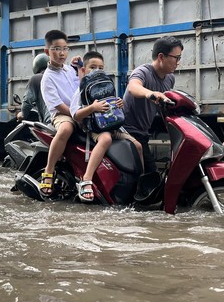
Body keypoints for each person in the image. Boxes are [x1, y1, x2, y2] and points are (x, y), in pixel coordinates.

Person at [70, 51, 143, 202]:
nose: (97, 70)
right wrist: (92, 108)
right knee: (105, 140)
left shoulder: (107, 86)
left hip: (113, 125)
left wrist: (119, 104)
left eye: (100, 68)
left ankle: (140, 181)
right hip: (95, 129)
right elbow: (75, 115)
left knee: (137, 145)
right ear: (83, 70)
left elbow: (114, 107)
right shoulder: (81, 89)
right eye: (92, 67)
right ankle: (87, 179)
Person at [122, 36, 183, 173]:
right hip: (128, 130)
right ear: (161, 57)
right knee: (149, 173)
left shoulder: (169, 78)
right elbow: (133, 87)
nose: (178, 62)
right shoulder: (143, 71)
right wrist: (150, 94)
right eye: (176, 58)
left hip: (143, 132)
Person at [39, 29, 82, 196]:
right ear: (47, 52)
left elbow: (80, 86)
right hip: (62, 114)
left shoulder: (70, 70)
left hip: (79, 110)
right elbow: (58, 105)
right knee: (66, 129)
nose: (62, 53)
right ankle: (48, 172)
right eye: (56, 49)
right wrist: (76, 115)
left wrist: (79, 67)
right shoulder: (47, 78)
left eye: (65, 48)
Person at [17, 53, 51, 124]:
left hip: (51, 121)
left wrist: (22, 114)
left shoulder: (36, 79)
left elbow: (27, 101)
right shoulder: (59, 75)